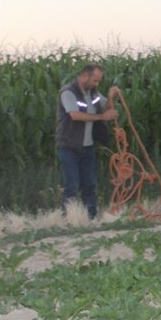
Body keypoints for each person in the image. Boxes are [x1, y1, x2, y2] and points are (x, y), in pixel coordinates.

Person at [56, 63, 118, 219]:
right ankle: (68, 219)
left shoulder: (93, 93)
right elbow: (75, 115)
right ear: (84, 76)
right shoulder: (68, 92)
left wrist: (111, 96)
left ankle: (91, 219)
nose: (96, 84)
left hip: (88, 148)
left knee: (89, 185)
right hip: (69, 147)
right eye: (95, 80)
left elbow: (105, 106)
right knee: (71, 186)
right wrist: (102, 117)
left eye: (98, 81)